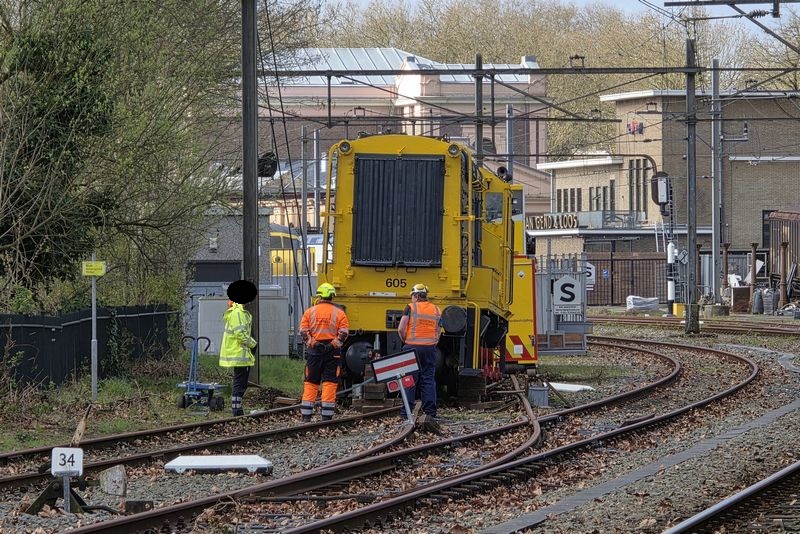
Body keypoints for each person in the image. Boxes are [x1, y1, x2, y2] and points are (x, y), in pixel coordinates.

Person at [299, 282, 350, 422]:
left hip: (314, 352)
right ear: (332, 297)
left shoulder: (310, 312)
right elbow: (344, 333)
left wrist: (313, 343)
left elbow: (303, 331)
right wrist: (331, 345)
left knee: (311, 382)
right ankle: (326, 416)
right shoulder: (339, 313)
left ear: (319, 295)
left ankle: (306, 415)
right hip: (332, 353)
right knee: (329, 382)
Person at [397, 283, 442, 420]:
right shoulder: (436, 309)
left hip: (411, 347)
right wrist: (432, 342)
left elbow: (401, 328)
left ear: (416, 296)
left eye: (412, 296)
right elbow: (439, 331)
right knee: (428, 379)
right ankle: (430, 412)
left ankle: (406, 412)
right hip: (429, 348)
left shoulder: (410, 307)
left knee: (409, 379)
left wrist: (405, 341)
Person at [220, 280, 257, 417]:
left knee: (240, 382)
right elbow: (241, 334)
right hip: (238, 353)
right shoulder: (238, 313)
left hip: (239, 353)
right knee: (239, 383)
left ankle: (237, 408)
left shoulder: (238, 312)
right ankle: (236, 410)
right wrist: (253, 344)